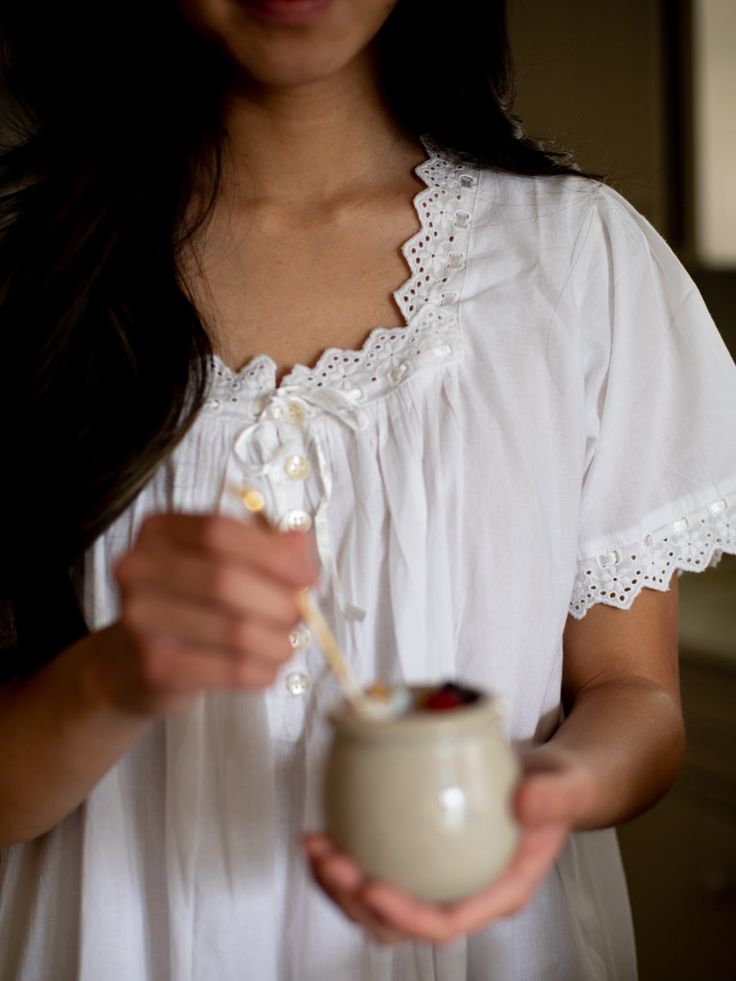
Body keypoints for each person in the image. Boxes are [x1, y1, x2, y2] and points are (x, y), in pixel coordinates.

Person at [0, 0, 734, 978]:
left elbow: (632, 693)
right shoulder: (28, 279)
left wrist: (544, 790)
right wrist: (114, 674)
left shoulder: (573, 262)